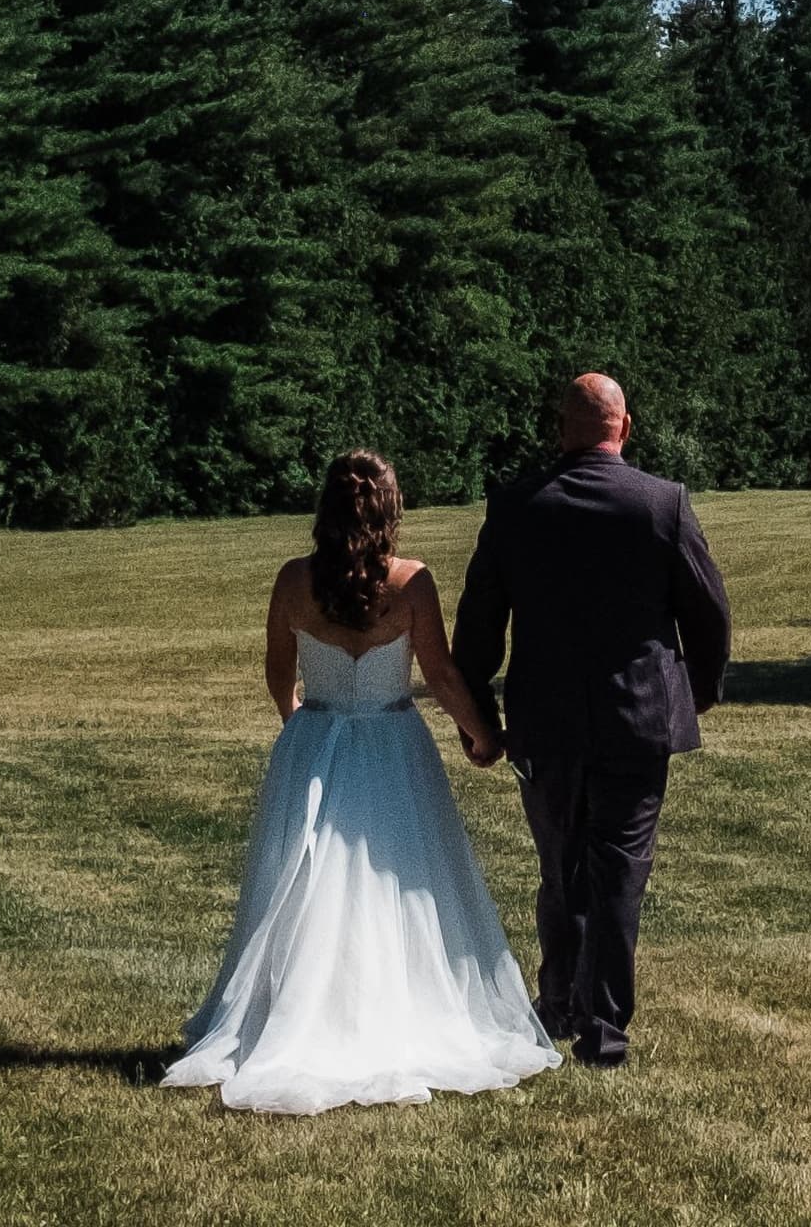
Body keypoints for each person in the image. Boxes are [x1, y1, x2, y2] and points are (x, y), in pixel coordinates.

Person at [166, 449, 560, 1114]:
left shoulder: (293, 580)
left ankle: (294, 1013)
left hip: (315, 744)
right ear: (389, 508)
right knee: (399, 877)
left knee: (305, 880)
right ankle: (392, 1011)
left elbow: (276, 668)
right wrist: (481, 736)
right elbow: (438, 674)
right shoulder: (412, 582)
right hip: (393, 742)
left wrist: (299, 721)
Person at [452, 371, 733, 1071]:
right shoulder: (661, 504)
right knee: (619, 872)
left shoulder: (516, 507)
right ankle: (605, 1027)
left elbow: (480, 622)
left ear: (561, 429)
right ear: (624, 427)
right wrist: (697, 690)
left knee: (560, 867)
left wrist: (477, 716)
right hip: (638, 718)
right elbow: (708, 610)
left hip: (544, 721)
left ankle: (559, 1002)